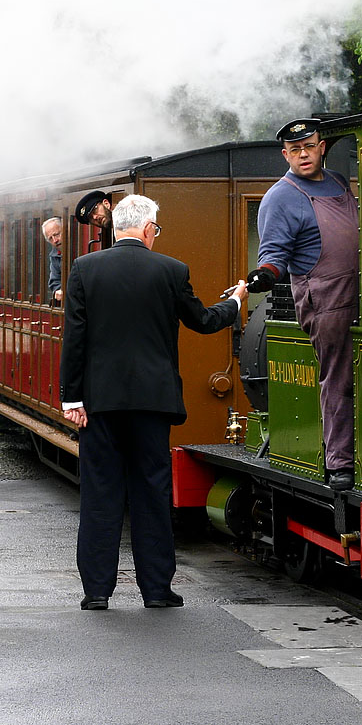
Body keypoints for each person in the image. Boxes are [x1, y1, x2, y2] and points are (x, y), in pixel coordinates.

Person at [59, 194, 248, 610]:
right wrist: (235, 302)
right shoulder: (171, 270)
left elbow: (74, 338)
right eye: (156, 229)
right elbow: (203, 321)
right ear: (147, 229)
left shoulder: (84, 269)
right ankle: (157, 590)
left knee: (100, 494)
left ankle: (96, 592)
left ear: (115, 227)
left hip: (100, 403)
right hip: (152, 402)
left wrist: (72, 398)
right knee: (152, 493)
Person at [247, 118, 359, 491]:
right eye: (295, 150)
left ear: (321, 147)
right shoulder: (280, 196)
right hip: (324, 297)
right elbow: (273, 254)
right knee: (339, 376)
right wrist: (264, 274)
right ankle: (339, 462)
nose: (303, 155)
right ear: (285, 154)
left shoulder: (340, 183)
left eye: (309, 147)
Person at [41, 217, 64, 304]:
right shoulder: (54, 255)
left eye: (57, 234)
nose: (55, 240)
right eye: (50, 238)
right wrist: (59, 289)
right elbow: (54, 281)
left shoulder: (79, 247)